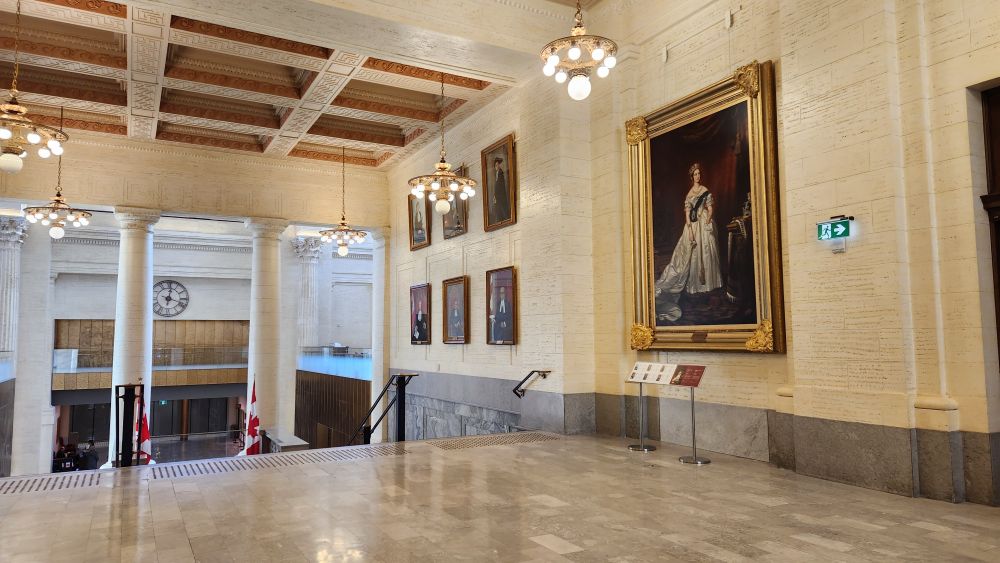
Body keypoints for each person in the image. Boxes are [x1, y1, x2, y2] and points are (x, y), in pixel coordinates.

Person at [654, 162, 722, 322]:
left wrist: (708, 220)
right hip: (692, 225)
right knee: (692, 256)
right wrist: (690, 230)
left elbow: (710, 207)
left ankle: (708, 286)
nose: (698, 176)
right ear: (692, 177)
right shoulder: (689, 194)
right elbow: (687, 213)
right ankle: (695, 287)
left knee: (707, 254)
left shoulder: (705, 191)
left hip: (704, 223)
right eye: (695, 174)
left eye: (699, 174)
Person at [488, 157, 510, 225]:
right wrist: (495, 195)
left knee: (503, 208)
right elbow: (496, 186)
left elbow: (499, 186)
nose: (497, 166)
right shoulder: (497, 173)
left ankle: (506, 219)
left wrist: (496, 195)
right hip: (498, 196)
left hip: (501, 196)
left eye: (498, 165)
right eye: (496, 165)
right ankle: (500, 221)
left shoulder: (500, 173)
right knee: (499, 209)